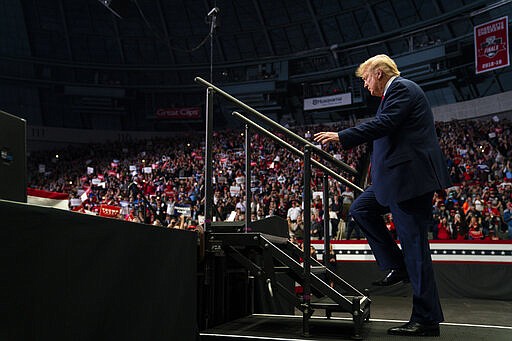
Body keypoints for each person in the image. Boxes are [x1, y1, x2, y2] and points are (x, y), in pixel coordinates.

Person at [314, 54, 451, 337]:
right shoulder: (395, 94)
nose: (365, 84)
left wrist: (343, 135)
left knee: (416, 251)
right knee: (360, 209)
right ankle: (396, 266)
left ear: (378, 72)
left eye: (365, 77)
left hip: (409, 181)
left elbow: (385, 124)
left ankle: (426, 319)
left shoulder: (401, 88)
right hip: (394, 180)